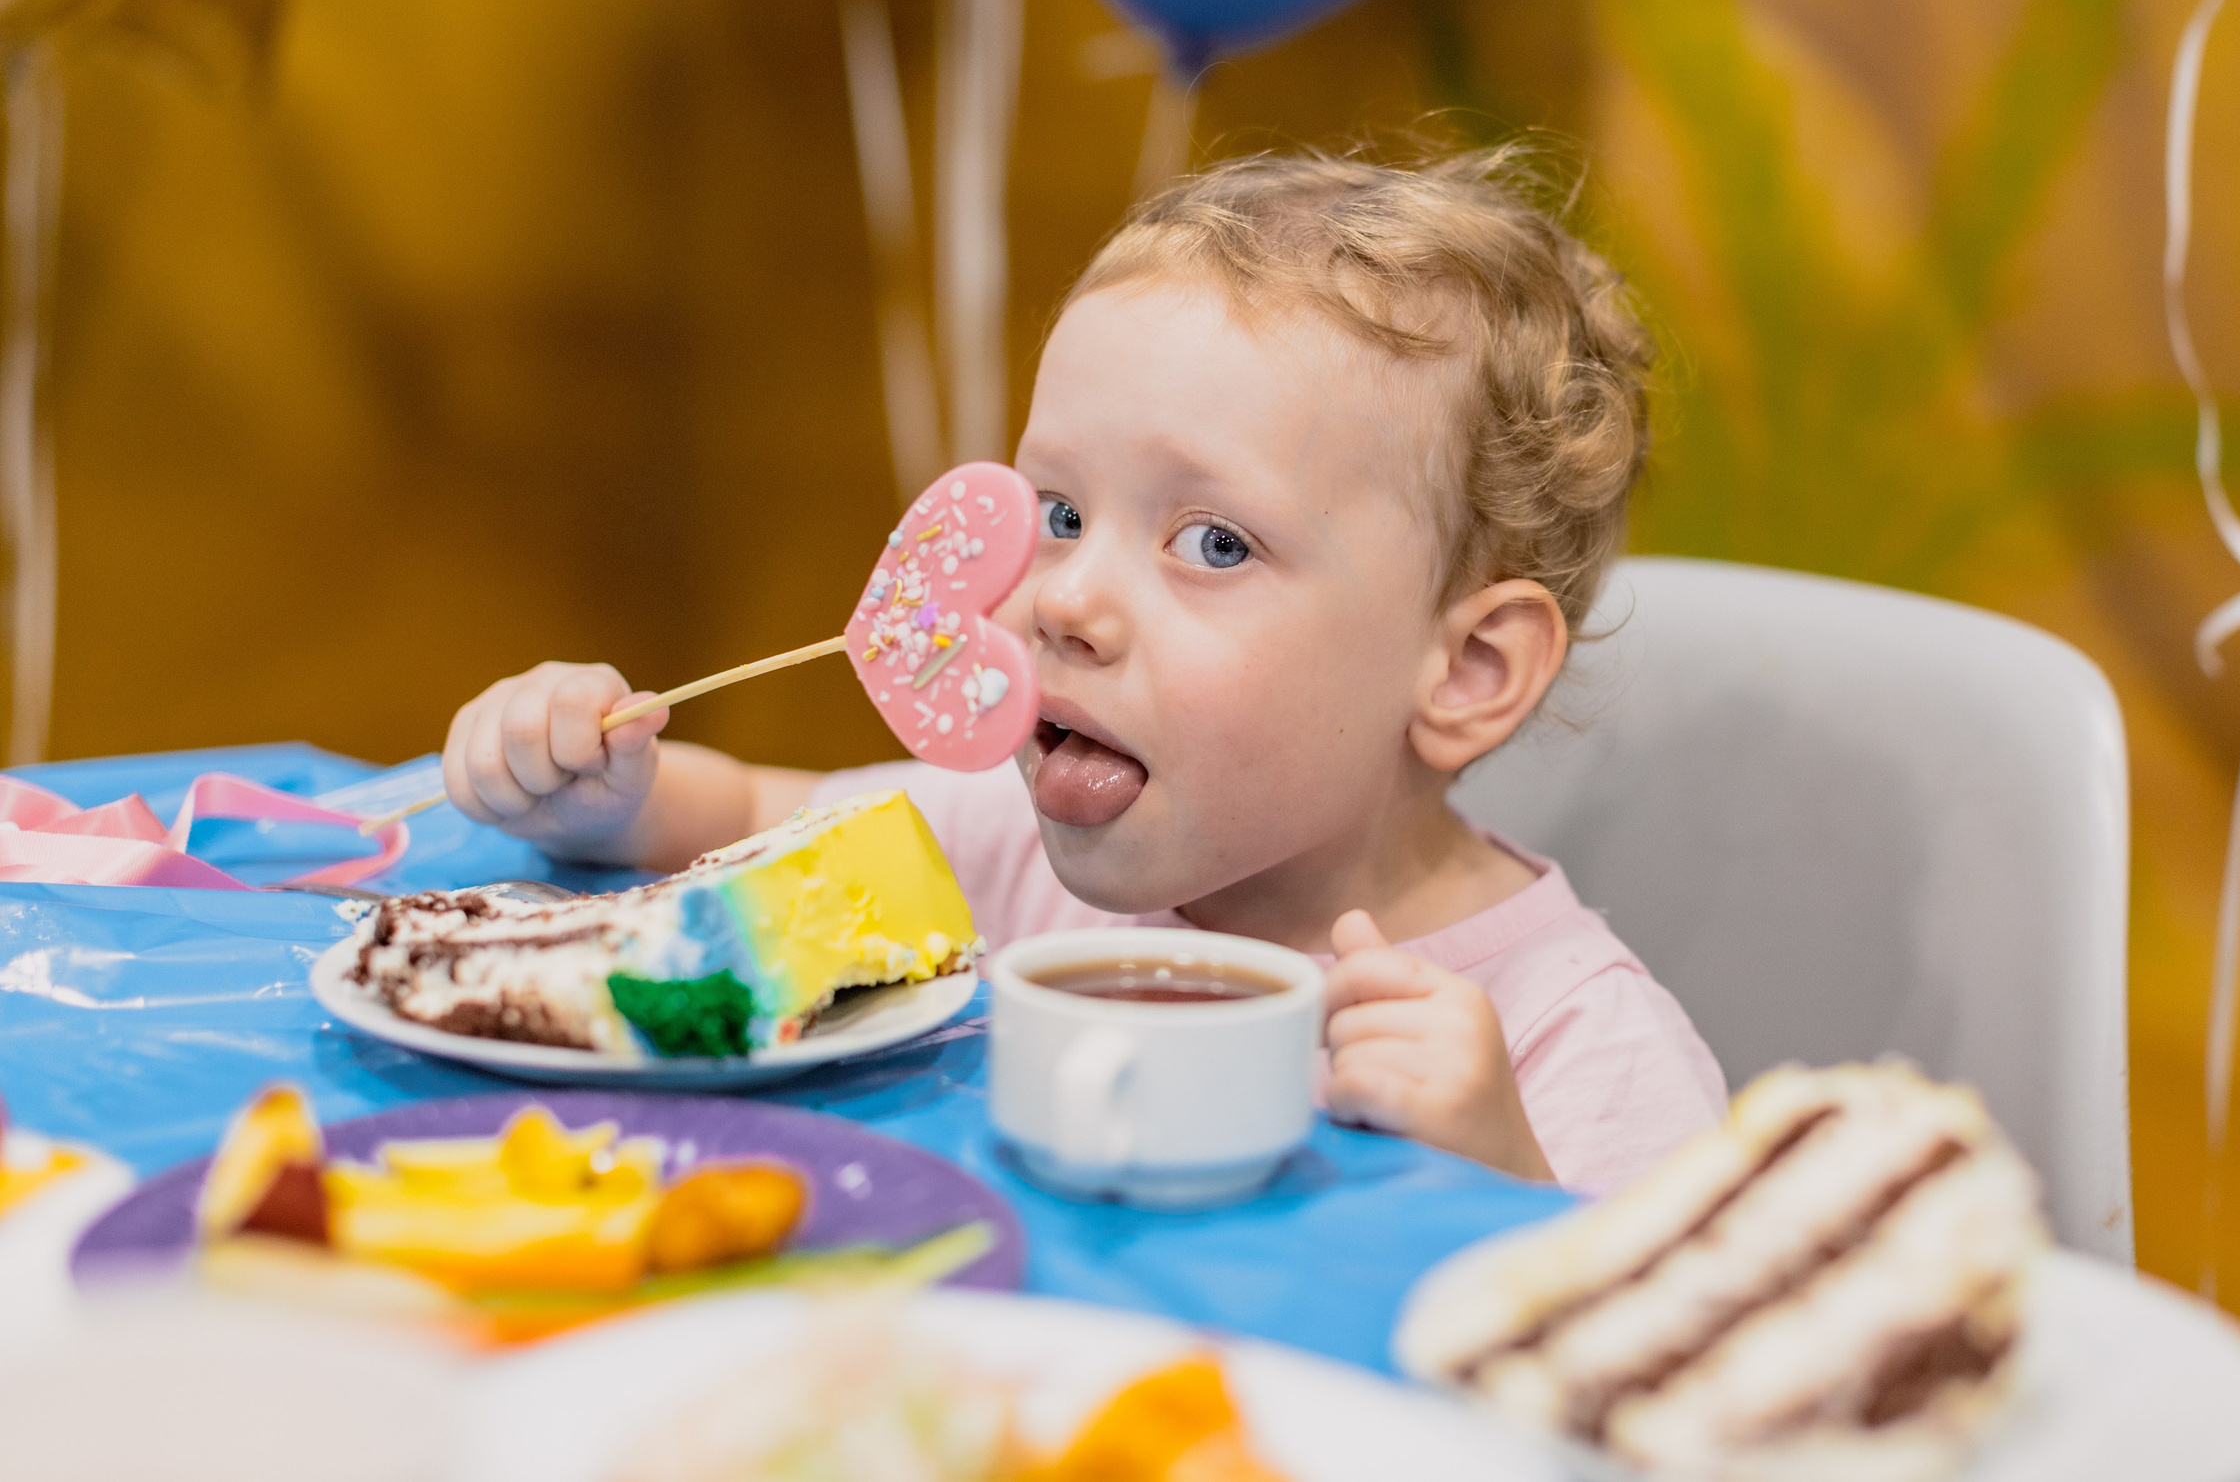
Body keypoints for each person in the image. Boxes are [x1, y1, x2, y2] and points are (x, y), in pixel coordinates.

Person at [439, 149, 1726, 1193]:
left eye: (1211, 543)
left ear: (1466, 671)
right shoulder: (999, 841)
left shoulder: (1570, 1039)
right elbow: (742, 821)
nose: (1062, 601)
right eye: (1057, 512)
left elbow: (1678, 1409)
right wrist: (609, 796)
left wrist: (1496, 1185)